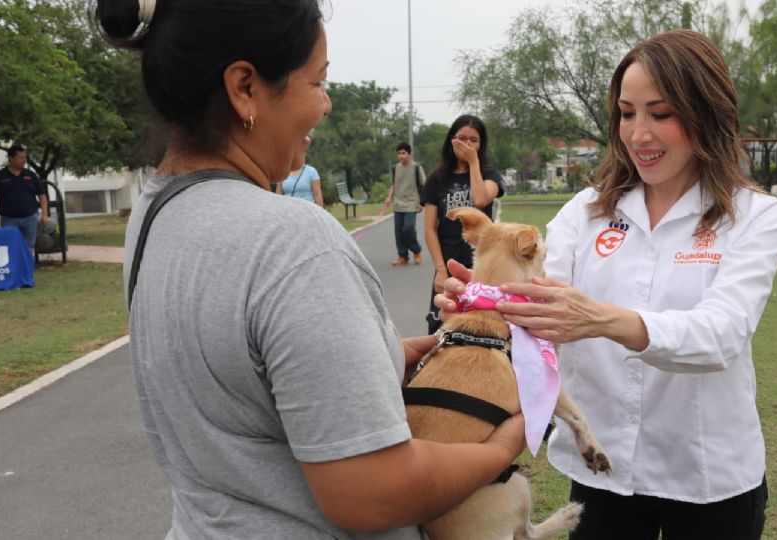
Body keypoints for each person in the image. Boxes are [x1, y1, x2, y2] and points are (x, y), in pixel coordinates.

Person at [96, 1, 524, 538]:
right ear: (244, 88)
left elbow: (247, 387)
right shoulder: (294, 241)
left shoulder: (154, 214)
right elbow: (373, 493)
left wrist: (387, 356)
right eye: (318, 81)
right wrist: (508, 440)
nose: (326, 104)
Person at [436, 29, 777, 539]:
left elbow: (722, 334)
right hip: (603, 474)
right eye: (627, 113)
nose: (638, 133)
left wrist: (600, 319)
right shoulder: (587, 210)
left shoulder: (756, 216)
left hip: (708, 474)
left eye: (661, 114)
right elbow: (540, 298)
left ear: (706, 114)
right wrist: (481, 302)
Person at [422, 114, 504, 333]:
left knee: (480, 327)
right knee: (442, 326)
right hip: (448, 264)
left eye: (474, 140)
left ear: (481, 144)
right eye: (462, 138)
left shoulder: (490, 174)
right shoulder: (436, 178)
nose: (467, 144)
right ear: (451, 140)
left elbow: (480, 200)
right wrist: (440, 269)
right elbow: (430, 228)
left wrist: (473, 162)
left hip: (482, 267)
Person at [0, 145, 49, 254]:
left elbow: (42, 196)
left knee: (29, 248)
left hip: (30, 218)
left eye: (25, 157)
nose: (24, 160)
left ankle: (27, 270)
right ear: (11, 158)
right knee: (9, 248)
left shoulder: (31, 175)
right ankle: (13, 270)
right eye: (20, 158)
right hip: (8, 220)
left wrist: (44, 215)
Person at [386, 142, 426, 266]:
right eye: (399, 153)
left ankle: (416, 250)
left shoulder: (416, 168)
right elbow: (394, 184)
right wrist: (389, 197)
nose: (401, 156)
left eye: (403, 153)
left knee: (408, 228)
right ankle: (402, 256)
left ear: (409, 154)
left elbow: (424, 185)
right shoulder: (395, 168)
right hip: (398, 203)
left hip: (412, 203)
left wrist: (422, 203)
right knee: (398, 232)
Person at [277, 136, 324, 206]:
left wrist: (320, 213)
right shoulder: (282, 172)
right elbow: (278, 195)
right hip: (288, 212)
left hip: (308, 211)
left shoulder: (312, 172)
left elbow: (317, 195)